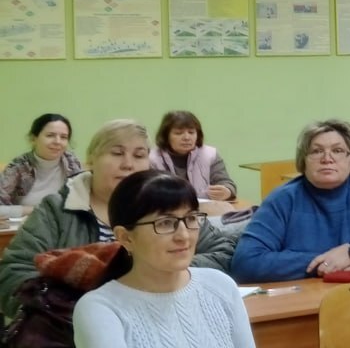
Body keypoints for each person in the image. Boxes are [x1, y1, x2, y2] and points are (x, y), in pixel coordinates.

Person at [0, 119, 234, 319]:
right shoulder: (57, 209)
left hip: (161, 317)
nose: (128, 164)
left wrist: (160, 274)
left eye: (139, 155)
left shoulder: (166, 204)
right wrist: (77, 306)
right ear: (91, 159)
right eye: (117, 153)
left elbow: (223, 252)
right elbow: (13, 272)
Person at [72, 170, 255, 348]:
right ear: (125, 237)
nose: (184, 235)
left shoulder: (221, 286)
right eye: (165, 223)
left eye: (191, 218)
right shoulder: (100, 309)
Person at [230, 119, 350, 283]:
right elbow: (246, 262)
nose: (327, 158)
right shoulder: (282, 199)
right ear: (304, 160)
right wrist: (327, 264)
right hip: (305, 303)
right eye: (316, 151)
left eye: (338, 150)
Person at [0, 114, 83, 217]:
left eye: (63, 137)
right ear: (33, 139)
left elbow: (85, 202)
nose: (57, 142)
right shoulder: (18, 166)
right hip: (27, 224)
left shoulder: (72, 163)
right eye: (50, 135)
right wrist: (38, 210)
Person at [149, 110, 238, 201]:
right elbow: (148, 193)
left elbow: (226, 182)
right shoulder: (152, 159)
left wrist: (227, 191)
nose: (187, 138)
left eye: (191, 132)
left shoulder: (210, 154)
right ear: (166, 136)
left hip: (204, 208)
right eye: (178, 133)